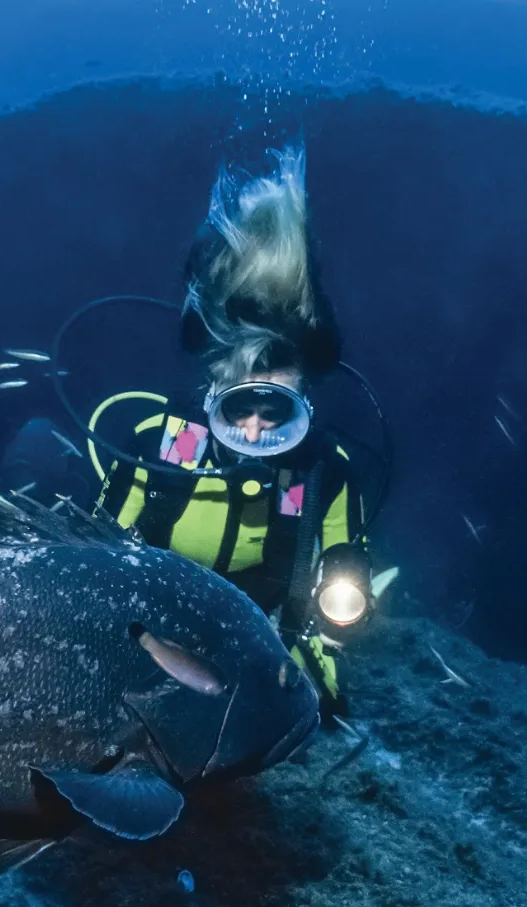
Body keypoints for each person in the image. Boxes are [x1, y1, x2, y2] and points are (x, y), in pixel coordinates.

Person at [93, 146, 373, 718]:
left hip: (259, 636)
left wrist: (342, 598)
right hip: (145, 626)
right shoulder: (162, 441)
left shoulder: (325, 468)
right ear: (215, 387)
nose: (254, 429)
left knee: (320, 713)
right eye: (242, 406)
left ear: (304, 398)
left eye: (275, 413)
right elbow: (95, 555)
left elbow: (345, 557)